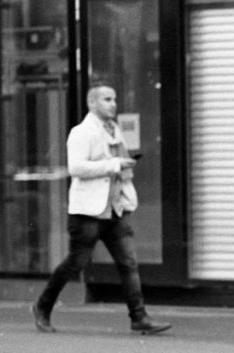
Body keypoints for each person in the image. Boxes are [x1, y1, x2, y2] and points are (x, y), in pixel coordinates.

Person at [31, 83, 171, 335]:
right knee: (76, 264)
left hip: (116, 210)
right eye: (107, 99)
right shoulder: (81, 132)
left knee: (128, 263)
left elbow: (117, 166)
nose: (113, 104)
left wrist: (125, 165)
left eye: (114, 99)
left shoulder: (114, 130)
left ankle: (139, 317)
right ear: (92, 103)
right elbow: (77, 168)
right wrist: (114, 164)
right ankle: (42, 306)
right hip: (89, 212)